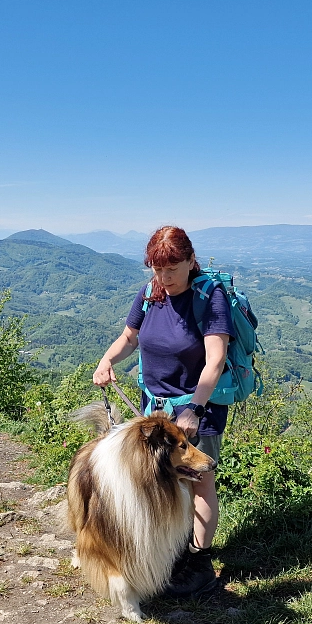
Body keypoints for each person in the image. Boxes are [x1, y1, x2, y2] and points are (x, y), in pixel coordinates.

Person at [92, 225, 234, 598]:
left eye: (172, 269)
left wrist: (194, 408)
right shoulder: (149, 294)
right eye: (157, 270)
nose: (164, 278)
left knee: (199, 480)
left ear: (190, 261)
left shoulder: (210, 297)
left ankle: (199, 564)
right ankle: (170, 551)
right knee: (159, 481)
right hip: (154, 412)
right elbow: (129, 338)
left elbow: (215, 360)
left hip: (197, 407)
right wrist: (107, 361)